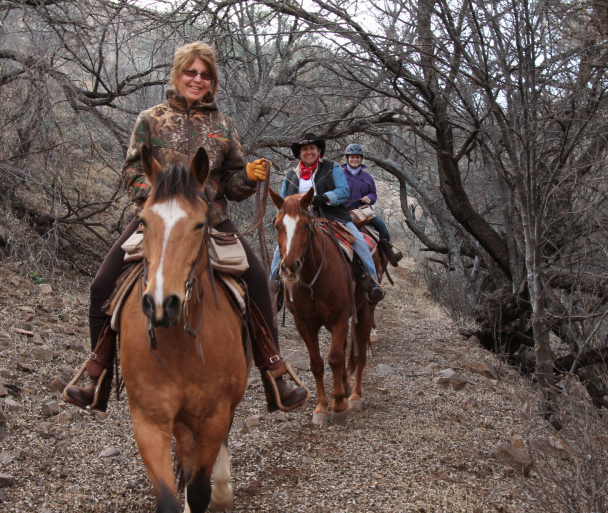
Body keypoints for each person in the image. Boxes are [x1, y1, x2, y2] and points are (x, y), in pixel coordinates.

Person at [64, 41, 307, 413]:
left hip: (211, 220)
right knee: (101, 286)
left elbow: (230, 182)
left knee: (258, 282)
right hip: (159, 220)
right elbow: (132, 171)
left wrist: (248, 176)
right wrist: (162, 197)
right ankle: (97, 374)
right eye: (191, 72)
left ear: (213, 81)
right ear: (177, 75)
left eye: (205, 74)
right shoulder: (150, 118)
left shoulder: (223, 126)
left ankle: (275, 372)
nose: (197, 79)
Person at [268, 133, 384, 304]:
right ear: (300, 153)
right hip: (299, 221)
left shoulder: (332, 167)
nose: (309, 152)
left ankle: (372, 282)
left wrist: (323, 198)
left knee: (359, 243)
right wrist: (280, 216)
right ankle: (275, 289)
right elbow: (284, 200)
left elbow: (344, 191)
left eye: (312, 148)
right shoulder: (291, 174)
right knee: (280, 252)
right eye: (305, 149)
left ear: (319, 151)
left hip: (333, 217)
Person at [340, 143, 400, 264]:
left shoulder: (367, 177)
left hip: (363, 211)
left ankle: (390, 252)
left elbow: (373, 194)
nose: (354, 159)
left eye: (357, 157)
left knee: (382, 227)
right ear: (347, 158)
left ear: (361, 159)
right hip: (343, 211)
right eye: (352, 157)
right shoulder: (339, 174)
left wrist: (369, 198)